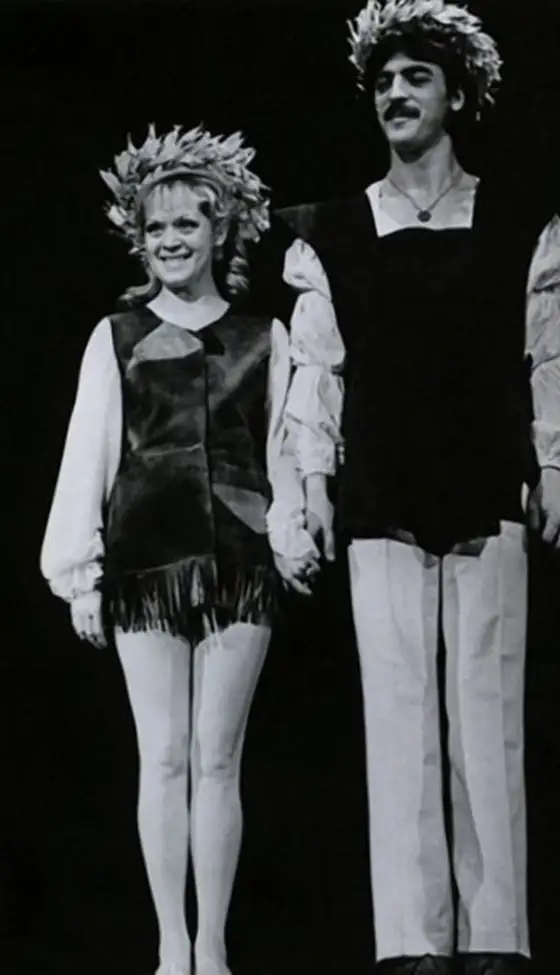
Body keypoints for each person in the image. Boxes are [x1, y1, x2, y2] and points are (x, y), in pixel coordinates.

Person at [276, 3, 560, 974]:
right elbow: (316, 372)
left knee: (486, 712)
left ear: (456, 94)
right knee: (398, 712)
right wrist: (314, 485)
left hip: (485, 485)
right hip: (380, 490)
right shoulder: (334, 232)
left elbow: (550, 353)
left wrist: (553, 468)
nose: (395, 93)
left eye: (415, 76)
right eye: (383, 81)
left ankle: (495, 941)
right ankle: (412, 946)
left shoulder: (517, 224)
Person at [40, 124, 318, 975]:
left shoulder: (265, 335)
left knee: (217, 756)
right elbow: (89, 451)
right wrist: (81, 574)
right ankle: (171, 947)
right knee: (162, 754)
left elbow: (282, 449)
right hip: (146, 561)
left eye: (186, 224)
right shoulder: (117, 336)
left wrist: (292, 535)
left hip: (238, 558)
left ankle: (213, 946)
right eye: (155, 227)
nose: (169, 240)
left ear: (219, 229)